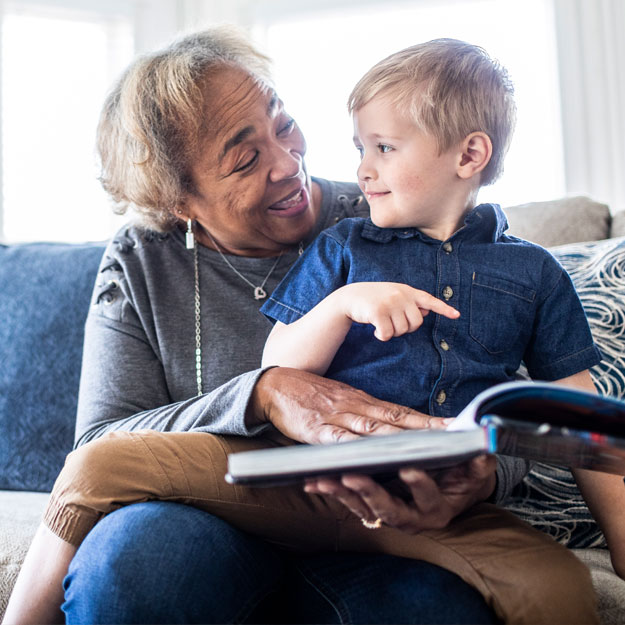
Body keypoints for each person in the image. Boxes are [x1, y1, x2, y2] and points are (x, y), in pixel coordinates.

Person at [0, 29, 594, 625]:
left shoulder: (384, 211)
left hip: (377, 516)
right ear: (180, 200)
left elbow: (497, 371)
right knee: (140, 568)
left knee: (435, 609)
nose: (289, 164)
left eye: (282, 125)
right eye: (244, 159)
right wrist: (261, 395)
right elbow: (103, 445)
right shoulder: (143, 259)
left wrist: (483, 472)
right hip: (212, 512)